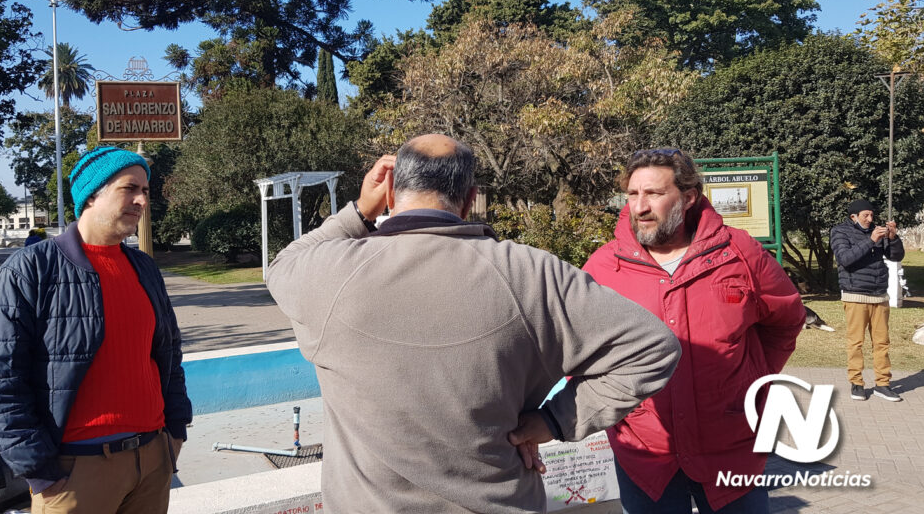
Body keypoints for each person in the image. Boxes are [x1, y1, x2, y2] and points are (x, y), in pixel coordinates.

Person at [266, 134, 681, 513]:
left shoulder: (330, 273)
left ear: (390, 192)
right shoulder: (531, 274)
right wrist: (554, 421)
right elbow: (653, 348)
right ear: (469, 199)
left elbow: (282, 265)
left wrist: (359, 211)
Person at [580, 148, 805, 513]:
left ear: (688, 197)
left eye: (654, 193)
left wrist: (752, 377)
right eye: (633, 194)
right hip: (645, 454)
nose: (640, 207)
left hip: (731, 448)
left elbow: (786, 320)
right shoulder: (604, 267)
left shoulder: (739, 253)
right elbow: (579, 350)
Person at [0, 146, 192, 514]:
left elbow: (169, 356)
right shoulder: (29, 270)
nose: (142, 200)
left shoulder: (144, 268)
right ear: (92, 195)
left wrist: (175, 432)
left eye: (145, 191)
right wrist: (40, 471)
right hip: (74, 473)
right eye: (129, 188)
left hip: (152, 462)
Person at [830, 199, 905, 402]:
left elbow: (896, 256)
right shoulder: (840, 232)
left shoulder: (877, 231)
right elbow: (845, 258)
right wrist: (871, 240)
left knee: (882, 343)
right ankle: (857, 384)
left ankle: (883, 384)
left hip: (879, 295)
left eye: (872, 215)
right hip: (855, 295)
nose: (870, 219)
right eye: (866, 215)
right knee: (856, 342)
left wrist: (893, 238)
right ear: (853, 217)